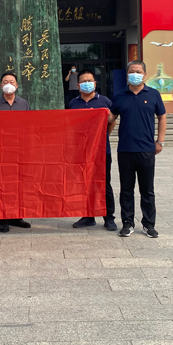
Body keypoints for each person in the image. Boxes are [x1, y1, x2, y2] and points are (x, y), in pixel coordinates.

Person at [108, 60, 166, 239]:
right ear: (127, 75)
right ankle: (127, 223)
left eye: (138, 71)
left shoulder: (154, 94)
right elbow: (111, 117)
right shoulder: (119, 95)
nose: (135, 74)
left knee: (147, 190)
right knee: (126, 189)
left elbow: (162, 117)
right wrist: (98, 113)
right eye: (132, 71)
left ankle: (149, 224)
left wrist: (160, 141)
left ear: (145, 75)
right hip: (125, 149)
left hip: (146, 150)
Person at [68, 70, 117, 231]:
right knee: (85, 184)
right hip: (81, 151)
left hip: (102, 151)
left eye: (90, 80)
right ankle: (88, 216)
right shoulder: (73, 103)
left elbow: (112, 120)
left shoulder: (104, 101)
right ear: (78, 85)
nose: (87, 83)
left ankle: (109, 217)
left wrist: (103, 136)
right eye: (83, 81)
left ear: (95, 83)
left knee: (104, 184)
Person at [0, 72, 32, 233]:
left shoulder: (24, 103)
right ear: (1, 86)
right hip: (1, 151)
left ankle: (17, 216)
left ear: (17, 85)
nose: (8, 84)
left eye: (12, 82)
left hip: (20, 150)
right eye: (5, 82)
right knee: (2, 185)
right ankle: (3, 218)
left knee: (19, 184)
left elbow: (30, 125)